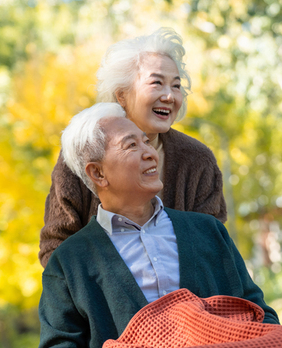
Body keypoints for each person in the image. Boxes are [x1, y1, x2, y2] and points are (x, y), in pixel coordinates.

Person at [36, 103, 278, 348]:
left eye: (146, 142)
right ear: (98, 173)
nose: (149, 152)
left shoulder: (207, 231)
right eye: (131, 145)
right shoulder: (69, 262)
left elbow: (260, 313)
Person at [38, 27, 227, 268]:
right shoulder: (84, 153)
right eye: (157, 83)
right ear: (121, 95)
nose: (170, 96)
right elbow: (56, 250)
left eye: (176, 86)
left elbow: (213, 244)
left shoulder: (198, 159)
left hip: (187, 300)